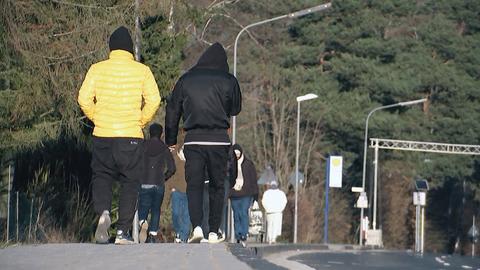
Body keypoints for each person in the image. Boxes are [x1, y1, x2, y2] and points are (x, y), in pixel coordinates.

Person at [78, 26, 160, 245]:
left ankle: (103, 213)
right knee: (130, 182)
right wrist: (140, 121)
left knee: (102, 176)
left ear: (111, 48)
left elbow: (83, 99)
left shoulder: (97, 69)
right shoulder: (142, 70)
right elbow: (154, 100)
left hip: (102, 134)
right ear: (130, 49)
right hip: (131, 136)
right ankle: (122, 232)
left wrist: (98, 118)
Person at [165, 42, 242, 243]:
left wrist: (171, 140)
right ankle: (214, 231)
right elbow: (236, 109)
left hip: (193, 141)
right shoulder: (229, 80)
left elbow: (173, 110)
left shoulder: (186, 80)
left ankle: (197, 227)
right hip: (219, 141)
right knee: (217, 185)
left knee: (195, 184)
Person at [138, 123, 176, 243]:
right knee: (155, 209)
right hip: (159, 183)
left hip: (144, 182)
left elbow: (135, 163)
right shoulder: (164, 148)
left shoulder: (142, 146)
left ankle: (143, 222)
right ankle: (153, 234)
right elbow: (172, 168)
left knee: (143, 207)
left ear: (150, 133)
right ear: (161, 134)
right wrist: (164, 177)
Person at [229, 144, 259, 247]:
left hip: (246, 193)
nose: (236, 156)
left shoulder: (248, 164)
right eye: (235, 154)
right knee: (236, 215)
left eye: (238, 154)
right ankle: (238, 235)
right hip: (234, 194)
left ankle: (244, 234)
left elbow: (254, 180)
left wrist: (256, 197)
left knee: (243, 213)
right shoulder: (229, 164)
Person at [167, 144, 190, 243]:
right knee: (176, 213)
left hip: (189, 192)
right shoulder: (175, 158)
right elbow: (171, 173)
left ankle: (184, 237)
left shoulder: (192, 161)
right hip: (176, 191)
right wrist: (171, 187)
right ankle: (178, 232)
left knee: (186, 215)